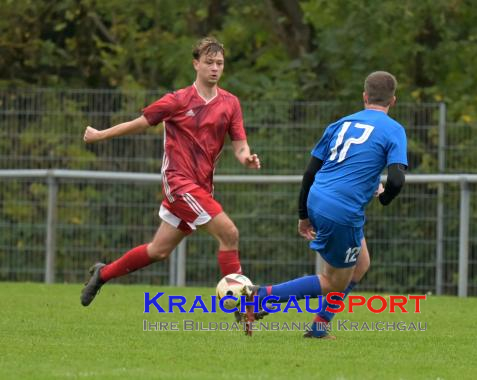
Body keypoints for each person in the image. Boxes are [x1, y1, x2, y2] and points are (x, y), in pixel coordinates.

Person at [80, 37, 261, 315]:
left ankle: (102, 274)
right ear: (196, 64)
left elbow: (239, 143)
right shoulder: (177, 100)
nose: (215, 68)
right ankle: (243, 308)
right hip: (178, 182)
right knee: (229, 233)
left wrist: (246, 157)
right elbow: (139, 123)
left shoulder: (230, 103)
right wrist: (100, 134)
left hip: (201, 187)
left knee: (159, 250)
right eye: (209, 62)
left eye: (220, 63)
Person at [245, 71, 407, 339]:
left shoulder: (340, 124)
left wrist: (303, 214)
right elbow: (398, 179)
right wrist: (385, 197)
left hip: (318, 197)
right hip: (342, 211)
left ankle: (319, 327)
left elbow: (310, 173)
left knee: (361, 263)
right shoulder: (393, 129)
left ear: (364, 97)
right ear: (394, 101)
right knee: (332, 283)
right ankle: (260, 297)